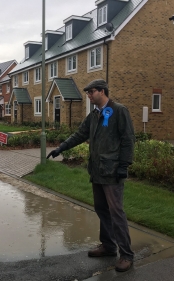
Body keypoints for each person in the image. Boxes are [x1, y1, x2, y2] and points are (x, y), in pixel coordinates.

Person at [47, 79, 135, 272]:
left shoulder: (119, 111)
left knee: (116, 213)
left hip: (112, 172)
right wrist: (61, 147)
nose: (88, 95)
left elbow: (128, 139)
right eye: (87, 93)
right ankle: (109, 246)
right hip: (97, 170)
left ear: (102, 92)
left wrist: (124, 165)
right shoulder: (94, 115)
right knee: (102, 209)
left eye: (91, 92)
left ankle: (127, 255)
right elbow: (80, 134)